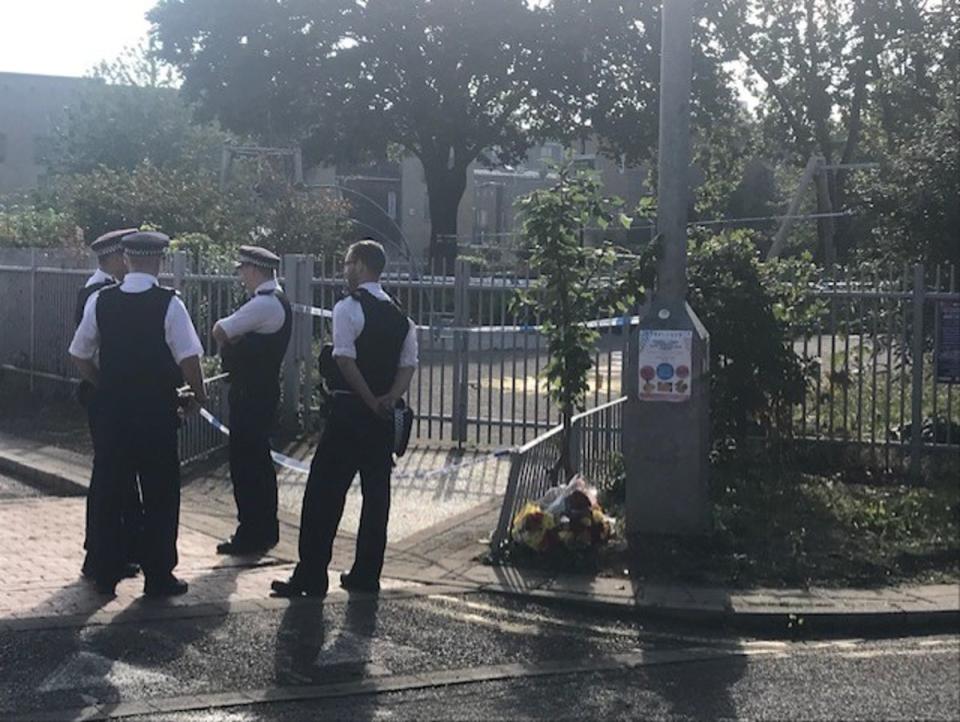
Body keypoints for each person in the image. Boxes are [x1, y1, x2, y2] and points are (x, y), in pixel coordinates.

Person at [272, 239, 418, 598]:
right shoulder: (402, 317)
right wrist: (388, 399)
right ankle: (366, 574)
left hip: (349, 412)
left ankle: (312, 574)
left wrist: (368, 400)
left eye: (347, 263)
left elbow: (344, 359)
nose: (344, 269)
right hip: (382, 418)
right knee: (376, 498)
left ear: (361, 265)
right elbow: (407, 366)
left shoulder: (348, 308)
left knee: (324, 493)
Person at [69, 231, 207, 597]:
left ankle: (106, 569)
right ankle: (159, 574)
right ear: (159, 261)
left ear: (127, 260)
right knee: (161, 490)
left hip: (114, 410)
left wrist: (103, 384)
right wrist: (198, 394)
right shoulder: (169, 303)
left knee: (112, 487)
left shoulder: (101, 301)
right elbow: (189, 357)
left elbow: (80, 353)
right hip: (155, 410)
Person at [212, 245, 292, 555]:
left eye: (243, 269)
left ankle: (251, 532)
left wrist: (233, 342)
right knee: (258, 463)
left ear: (255, 270)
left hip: (250, 393)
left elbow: (221, 330)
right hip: (262, 390)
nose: (241, 275)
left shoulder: (263, 305)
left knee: (246, 465)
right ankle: (263, 529)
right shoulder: (276, 300)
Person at [75, 229, 144, 581]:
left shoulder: (101, 291)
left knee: (118, 475)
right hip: (107, 395)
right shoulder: (99, 294)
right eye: (127, 256)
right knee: (109, 475)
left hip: (111, 395)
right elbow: (87, 352)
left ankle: (123, 548)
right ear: (117, 258)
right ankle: (103, 552)